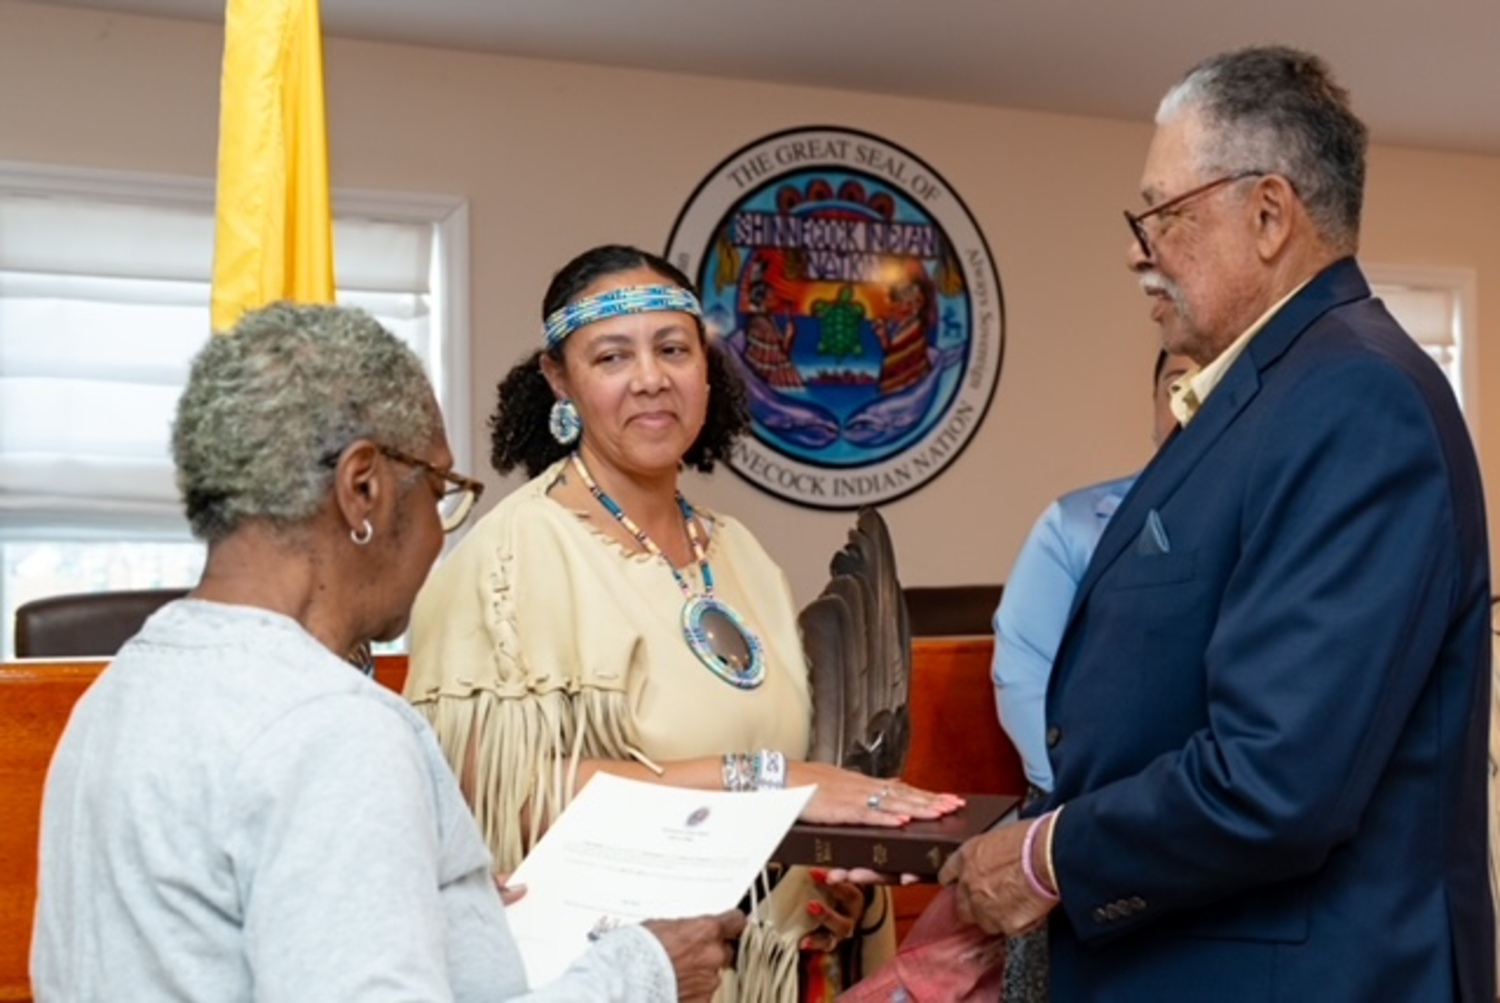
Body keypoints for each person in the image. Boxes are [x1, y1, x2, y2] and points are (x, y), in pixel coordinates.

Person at [941, 45, 1493, 1002]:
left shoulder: (1355, 399)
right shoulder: (1273, 392)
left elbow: (1275, 778)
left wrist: (1045, 857)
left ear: (1269, 214)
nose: (1135, 249)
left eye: (1158, 215)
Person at [31, 302, 745, 1002]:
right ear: (362, 486)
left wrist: (426, 918)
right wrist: (641, 970)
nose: (441, 533)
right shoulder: (334, 730)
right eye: (439, 489)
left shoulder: (115, 695)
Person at [404, 244, 961, 1002]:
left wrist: (828, 878)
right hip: (607, 976)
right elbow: (513, 795)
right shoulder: (509, 557)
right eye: (612, 356)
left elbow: (802, 771)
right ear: (559, 379)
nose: (650, 377)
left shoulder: (740, 554)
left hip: (763, 973)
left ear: (706, 368)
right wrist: (778, 783)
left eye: (673, 348)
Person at [992, 349, 1192, 798]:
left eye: (1213, 384)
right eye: (1176, 386)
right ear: (1153, 408)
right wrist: (1095, 810)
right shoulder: (1073, 526)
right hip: (1084, 810)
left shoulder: (1276, 522)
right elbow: (1026, 680)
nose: (1191, 402)